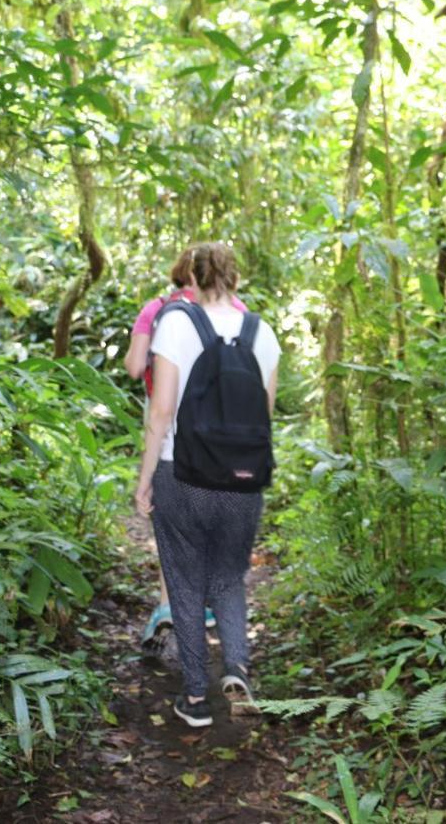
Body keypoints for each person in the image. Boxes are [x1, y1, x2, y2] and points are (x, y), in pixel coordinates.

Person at [134, 242, 280, 728]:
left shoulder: (175, 322)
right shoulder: (263, 333)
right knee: (228, 578)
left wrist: (145, 479)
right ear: (236, 280)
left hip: (182, 472)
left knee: (185, 582)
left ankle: (195, 696)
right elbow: (264, 417)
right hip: (242, 481)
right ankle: (236, 669)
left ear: (191, 280)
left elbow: (160, 413)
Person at [124, 250, 246, 646]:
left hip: (169, 422)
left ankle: (167, 605)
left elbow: (133, 365)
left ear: (182, 273)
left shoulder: (156, 309)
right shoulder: (236, 309)